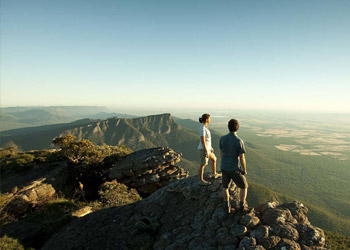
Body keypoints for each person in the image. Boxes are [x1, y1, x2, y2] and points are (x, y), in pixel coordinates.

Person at [220, 119, 248, 213]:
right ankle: (241, 205)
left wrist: (224, 162)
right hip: (234, 168)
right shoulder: (239, 141)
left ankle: (227, 206)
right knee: (244, 186)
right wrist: (244, 170)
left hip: (224, 166)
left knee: (225, 187)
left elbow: (221, 153)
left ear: (228, 127)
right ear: (237, 128)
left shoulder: (222, 139)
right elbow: (242, 158)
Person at [198, 113, 219, 185]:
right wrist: (206, 150)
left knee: (214, 159)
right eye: (209, 118)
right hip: (204, 149)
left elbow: (207, 140)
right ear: (207, 119)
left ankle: (214, 174)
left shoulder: (205, 127)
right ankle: (201, 180)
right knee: (203, 164)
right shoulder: (202, 128)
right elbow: (202, 140)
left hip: (208, 149)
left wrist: (210, 148)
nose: (210, 120)